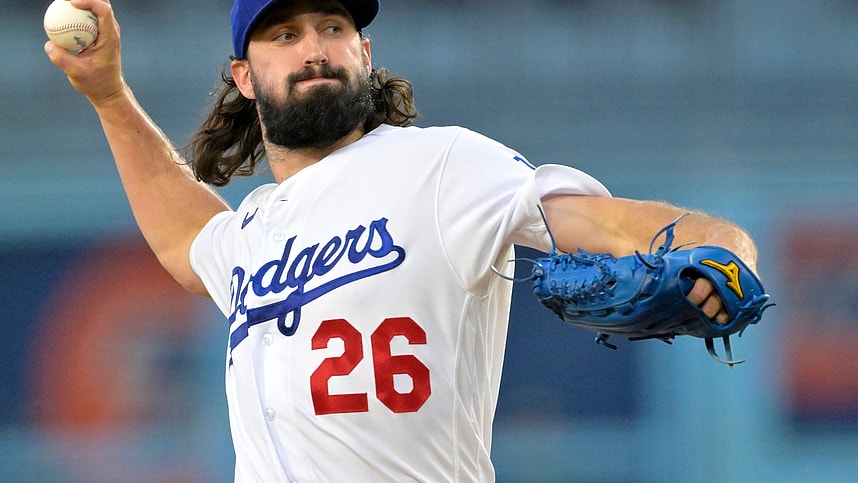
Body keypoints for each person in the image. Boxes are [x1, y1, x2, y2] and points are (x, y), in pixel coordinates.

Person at [45, 0, 759, 481]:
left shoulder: (441, 166)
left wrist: (729, 249)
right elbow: (186, 239)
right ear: (245, 78)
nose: (315, 49)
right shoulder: (256, 228)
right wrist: (108, 96)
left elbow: (613, 224)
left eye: (332, 27)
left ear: (364, 50)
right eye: (285, 35)